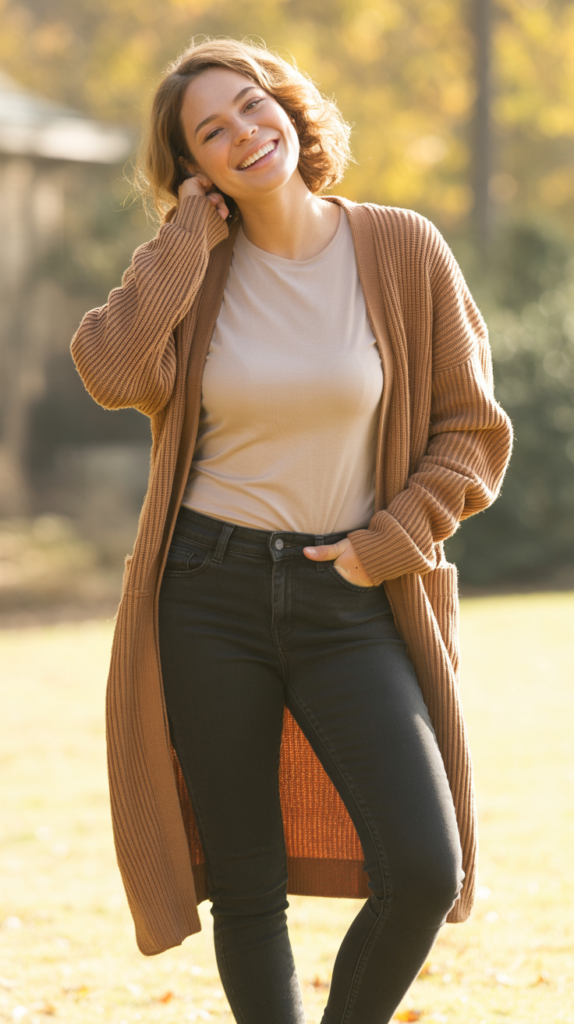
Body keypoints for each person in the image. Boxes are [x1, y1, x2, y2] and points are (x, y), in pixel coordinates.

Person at [71, 37, 513, 1024]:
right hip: (205, 591)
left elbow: (472, 431)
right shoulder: (192, 268)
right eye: (210, 132)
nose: (243, 134)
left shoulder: (400, 246)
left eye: (251, 107)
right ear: (191, 165)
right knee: (245, 877)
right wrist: (188, 234)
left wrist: (389, 540)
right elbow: (110, 370)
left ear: (291, 108)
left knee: (421, 865)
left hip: (348, 592)